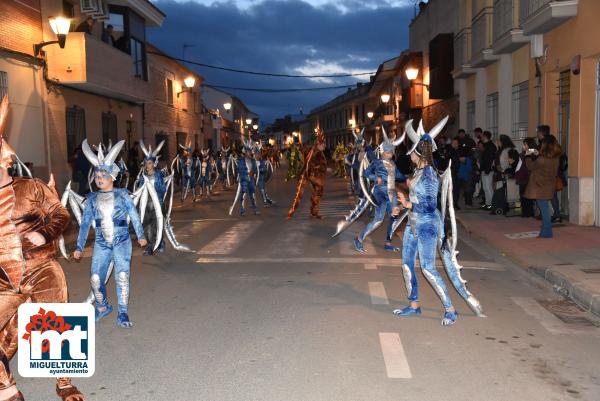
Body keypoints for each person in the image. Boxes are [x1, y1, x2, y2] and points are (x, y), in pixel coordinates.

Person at [0, 96, 86, 401]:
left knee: (54, 319)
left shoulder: (31, 187)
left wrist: (44, 233)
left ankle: (63, 382)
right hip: (2, 279)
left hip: (39, 269)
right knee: (7, 337)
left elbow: (61, 214)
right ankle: (6, 387)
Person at [392, 117, 484, 326]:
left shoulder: (429, 175)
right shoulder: (417, 172)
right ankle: (414, 305)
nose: (410, 155)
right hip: (414, 223)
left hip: (427, 225)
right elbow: (416, 199)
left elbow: (429, 205)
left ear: (419, 152)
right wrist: (404, 203)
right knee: (406, 265)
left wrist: (408, 204)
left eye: (412, 151)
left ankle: (450, 309)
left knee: (427, 268)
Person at [73, 140, 147, 328]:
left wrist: (140, 235)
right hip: (101, 242)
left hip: (122, 241)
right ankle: (103, 306)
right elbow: (85, 224)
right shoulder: (91, 199)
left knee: (122, 275)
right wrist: (79, 246)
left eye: (103, 174)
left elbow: (134, 216)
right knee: (95, 277)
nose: (99, 178)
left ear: (112, 176)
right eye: (97, 174)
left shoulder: (123, 195)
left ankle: (123, 312)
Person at [354, 128, 406, 253]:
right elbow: (366, 173)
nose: (390, 154)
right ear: (382, 152)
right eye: (388, 152)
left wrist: (408, 179)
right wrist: (375, 177)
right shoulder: (376, 163)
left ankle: (388, 243)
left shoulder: (393, 163)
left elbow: (399, 175)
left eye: (391, 152)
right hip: (380, 193)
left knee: (393, 218)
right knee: (378, 220)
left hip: (391, 193)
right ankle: (359, 239)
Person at [524, 135, 561, 238]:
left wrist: (527, 156)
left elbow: (530, 166)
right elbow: (542, 160)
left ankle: (547, 232)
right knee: (545, 209)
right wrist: (535, 152)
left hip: (540, 186)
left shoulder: (542, 159)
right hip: (549, 185)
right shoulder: (555, 157)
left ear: (545, 145)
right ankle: (545, 232)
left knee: (544, 210)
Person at [287, 131, 328, 219]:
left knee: (317, 195)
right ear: (318, 145)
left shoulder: (318, 152)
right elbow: (309, 164)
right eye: (323, 144)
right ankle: (314, 212)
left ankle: (313, 212)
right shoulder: (315, 152)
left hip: (316, 177)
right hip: (314, 177)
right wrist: (315, 171)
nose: (325, 146)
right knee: (317, 194)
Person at [137, 140, 167, 256]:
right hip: (145, 205)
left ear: (154, 164)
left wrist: (154, 188)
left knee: (156, 226)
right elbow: (139, 189)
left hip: (156, 204)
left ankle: (159, 243)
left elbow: (163, 189)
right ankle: (150, 246)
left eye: (149, 163)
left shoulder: (159, 175)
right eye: (146, 163)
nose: (147, 165)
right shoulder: (142, 176)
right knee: (146, 227)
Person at [229, 140, 259, 216]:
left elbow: (255, 169)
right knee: (243, 194)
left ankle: (255, 209)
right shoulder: (241, 160)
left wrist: (253, 172)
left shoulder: (253, 160)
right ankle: (242, 210)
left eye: (250, 152)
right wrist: (247, 173)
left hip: (251, 179)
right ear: (245, 152)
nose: (250, 153)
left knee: (253, 195)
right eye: (248, 152)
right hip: (244, 179)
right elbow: (240, 169)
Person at [516, 138, 536, 218]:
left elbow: (535, 151)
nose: (523, 146)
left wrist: (527, 151)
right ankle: (526, 212)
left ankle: (528, 212)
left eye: (525, 144)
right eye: (523, 144)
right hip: (522, 176)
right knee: (523, 195)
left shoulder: (531, 152)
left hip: (526, 177)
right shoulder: (523, 153)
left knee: (526, 196)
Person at [479, 131, 497, 210]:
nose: (481, 137)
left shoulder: (490, 146)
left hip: (488, 170)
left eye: (482, 136)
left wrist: (487, 170)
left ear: (485, 136)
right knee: (485, 188)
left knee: (488, 187)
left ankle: (491, 204)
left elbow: (489, 159)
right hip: (485, 169)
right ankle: (487, 203)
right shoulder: (487, 145)